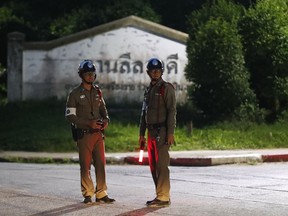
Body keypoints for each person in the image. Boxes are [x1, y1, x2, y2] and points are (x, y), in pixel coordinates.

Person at [65, 59, 115, 204]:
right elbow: (70, 116)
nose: (90, 76)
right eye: (87, 74)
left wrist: (106, 120)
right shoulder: (74, 94)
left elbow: (103, 110)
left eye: (92, 74)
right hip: (84, 135)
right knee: (85, 165)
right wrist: (88, 123)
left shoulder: (98, 91)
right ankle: (87, 193)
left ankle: (101, 193)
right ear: (81, 75)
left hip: (98, 135)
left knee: (101, 164)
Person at [139, 57, 176, 207]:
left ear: (161, 72)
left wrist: (171, 132)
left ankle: (164, 197)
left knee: (162, 166)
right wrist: (141, 134)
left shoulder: (166, 88)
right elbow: (143, 113)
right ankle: (160, 194)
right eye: (153, 70)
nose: (155, 73)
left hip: (162, 131)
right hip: (151, 132)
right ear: (148, 72)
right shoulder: (148, 90)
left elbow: (172, 111)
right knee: (153, 166)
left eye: (158, 70)